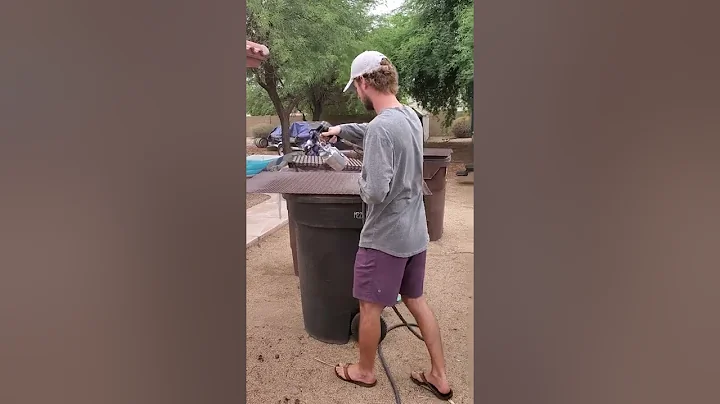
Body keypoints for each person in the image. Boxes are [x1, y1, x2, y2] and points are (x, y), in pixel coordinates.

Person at [321, 51, 453, 401]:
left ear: (364, 82)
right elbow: (373, 129)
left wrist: (354, 177)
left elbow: (375, 191)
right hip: (415, 233)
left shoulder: (381, 128)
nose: (357, 95)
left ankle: (364, 372)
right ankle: (439, 375)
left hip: (384, 239)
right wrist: (340, 130)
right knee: (416, 300)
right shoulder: (409, 115)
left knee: (369, 307)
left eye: (356, 88)